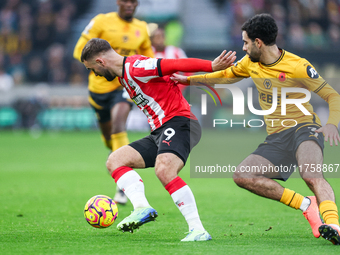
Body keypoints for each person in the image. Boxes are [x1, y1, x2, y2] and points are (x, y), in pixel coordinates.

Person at [173, 14, 340, 245]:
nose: (243, 47)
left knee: (311, 174)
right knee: (243, 176)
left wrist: (331, 123)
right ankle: (306, 204)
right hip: (277, 137)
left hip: (305, 128)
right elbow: (225, 76)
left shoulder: (298, 66)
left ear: (258, 43)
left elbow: (332, 95)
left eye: (245, 42)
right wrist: (188, 80)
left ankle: (333, 224)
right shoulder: (250, 63)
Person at [80, 38, 236, 241]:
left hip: (181, 122)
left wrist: (211, 66)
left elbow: (175, 64)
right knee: (115, 161)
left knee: (164, 170)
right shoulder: (123, 77)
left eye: (92, 69)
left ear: (101, 62)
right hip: (160, 131)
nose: (95, 74)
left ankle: (198, 230)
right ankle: (142, 207)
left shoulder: (137, 67)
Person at [73, 0, 154, 205]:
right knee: (109, 137)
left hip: (124, 85)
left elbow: (148, 58)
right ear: (118, 2)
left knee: (119, 124)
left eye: (133, 2)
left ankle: (123, 184)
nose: (129, 5)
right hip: (99, 89)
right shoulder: (101, 22)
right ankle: (116, 152)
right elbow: (78, 51)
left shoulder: (142, 28)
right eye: (125, 1)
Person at [151, 26, 190, 93]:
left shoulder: (175, 51)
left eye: (161, 37)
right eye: (156, 37)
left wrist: (181, 86)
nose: (159, 40)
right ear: (152, 39)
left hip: (174, 90)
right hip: (155, 92)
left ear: (164, 38)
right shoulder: (148, 53)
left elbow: (189, 69)